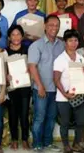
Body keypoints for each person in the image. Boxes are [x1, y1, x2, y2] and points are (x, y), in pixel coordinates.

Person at [28, 15, 64, 152]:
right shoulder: (36, 45)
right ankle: (37, 144)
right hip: (41, 89)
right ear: (45, 26)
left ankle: (48, 142)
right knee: (39, 117)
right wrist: (40, 86)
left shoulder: (61, 45)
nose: (54, 28)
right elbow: (32, 67)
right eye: (51, 25)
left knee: (51, 117)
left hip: (57, 89)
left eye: (56, 25)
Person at [53, 30, 84, 153]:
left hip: (78, 95)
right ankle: (66, 146)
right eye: (70, 40)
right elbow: (56, 79)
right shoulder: (60, 59)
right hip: (63, 97)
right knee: (65, 122)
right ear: (65, 42)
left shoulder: (80, 58)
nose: (73, 43)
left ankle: (76, 144)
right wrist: (65, 94)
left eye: (75, 40)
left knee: (81, 121)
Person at [6, 25, 31, 151]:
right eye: (13, 34)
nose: (16, 37)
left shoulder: (27, 49)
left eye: (18, 34)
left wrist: (29, 70)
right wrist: (6, 76)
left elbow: (33, 66)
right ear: (9, 37)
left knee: (24, 114)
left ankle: (25, 139)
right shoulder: (5, 52)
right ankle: (14, 139)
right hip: (11, 88)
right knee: (13, 114)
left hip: (25, 87)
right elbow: (2, 69)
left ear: (22, 36)